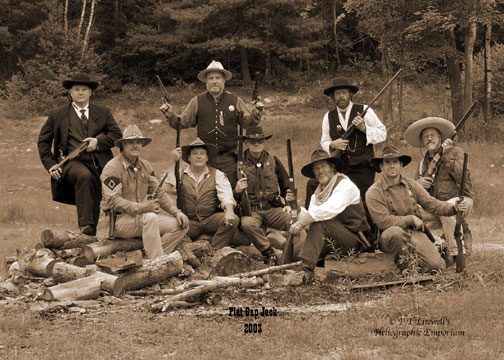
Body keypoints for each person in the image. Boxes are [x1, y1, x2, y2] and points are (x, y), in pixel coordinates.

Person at [38, 73, 122, 236]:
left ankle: (104, 234)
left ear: (90, 92)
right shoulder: (58, 114)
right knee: (84, 176)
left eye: (84, 89)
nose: (81, 92)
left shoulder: (103, 112)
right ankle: (86, 228)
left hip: (102, 165)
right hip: (71, 164)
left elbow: (117, 135)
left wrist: (98, 142)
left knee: (101, 194)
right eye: (77, 89)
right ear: (70, 92)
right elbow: (43, 142)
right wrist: (50, 165)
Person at [365, 146, 472, 272]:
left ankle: (432, 254)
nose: (392, 166)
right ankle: (408, 270)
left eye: (395, 162)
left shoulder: (411, 184)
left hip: (415, 233)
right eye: (387, 162)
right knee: (395, 233)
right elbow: (384, 221)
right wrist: (411, 219)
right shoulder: (373, 192)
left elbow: (432, 204)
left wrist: (453, 207)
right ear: (381, 167)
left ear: (400, 165)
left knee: (436, 266)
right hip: (389, 236)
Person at [160, 60, 263, 188]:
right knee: (206, 193)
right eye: (211, 78)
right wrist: (170, 114)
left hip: (229, 159)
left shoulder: (235, 100)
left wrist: (255, 112)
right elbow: (183, 122)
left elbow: (248, 123)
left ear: (224, 80)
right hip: (204, 159)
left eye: (218, 78)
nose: (214, 81)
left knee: (232, 192)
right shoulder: (196, 101)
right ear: (206, 81)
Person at [100, 125, 189, 259]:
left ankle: (150, 259)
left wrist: (176, 212)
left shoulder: (146, 166)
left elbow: (159, 192)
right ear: (123, 144)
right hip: (118, 222)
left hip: (142, 219)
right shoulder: (112, 167)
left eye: (138, 142)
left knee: (181, 224)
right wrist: (142, 207)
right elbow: (113, 201)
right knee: (150, 217)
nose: (135, 145)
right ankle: (157, 263)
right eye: (131, 142)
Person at [305, 76, 387, 208]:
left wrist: (364, 128)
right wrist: (333, 144)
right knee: (313, 184)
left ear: (350, 94)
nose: (341, 96)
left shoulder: (365, 110)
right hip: (339, 168)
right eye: (337, 93)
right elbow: (324, 141)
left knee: (363, 203)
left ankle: (368, 228)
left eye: (344, 92)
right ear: (333, 97)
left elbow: (383, 134)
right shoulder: (328, 116)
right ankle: (310, 219)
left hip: (363, 168)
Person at [290, 150, 370, 282]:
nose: (320, 171)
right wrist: (295, 207)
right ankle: (285, 265)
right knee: (296, 251)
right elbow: (311, 217)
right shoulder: (319, 192)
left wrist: (303, 222)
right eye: (316, 169)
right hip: (331, 239)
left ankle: (306, 272)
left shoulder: (345, 185)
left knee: (319, 223)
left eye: (323, 167)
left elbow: (331, 209)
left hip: (353, 240)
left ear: (332, 168)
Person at [404, 117, 474, 259]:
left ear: (440, 138)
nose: (429, 139)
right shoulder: (423, 163)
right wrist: (419, 183)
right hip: (435, 206)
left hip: (461, 201)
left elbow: (464, 178)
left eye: (432, 135)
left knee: (447, 212)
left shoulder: (455, 152)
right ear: (422, 141)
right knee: (409, 214)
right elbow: (415, 191)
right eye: (426, 137)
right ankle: (426, 250)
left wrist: (448, 156)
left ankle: (456, 255)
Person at [234, 127, 295, 265]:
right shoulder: (239, 164)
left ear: (264, 142)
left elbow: (286, 185)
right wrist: (237, 190)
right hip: (252, 210)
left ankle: (295, 253)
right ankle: (268, 252)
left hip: (272, 208)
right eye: (253, 141)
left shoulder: (273, 160)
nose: (256, 144)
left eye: (260, 141)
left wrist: (288, 204)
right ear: (247, 143)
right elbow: (231, 192)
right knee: (247, 224)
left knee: (293, 220)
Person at [168, 138, 239, 249]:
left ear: (207, 158)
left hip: (210, 219)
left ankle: (214, 251)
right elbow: (166, 189)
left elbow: (226, 195)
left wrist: (229, 212)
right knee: (170, 228)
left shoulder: (217, 174)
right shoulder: (179, 174)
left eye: (202, 154)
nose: (198, 156)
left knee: (233, 220)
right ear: (188, 158)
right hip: (188, 221)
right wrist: (174, 162)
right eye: (195, 154)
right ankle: (191, 250)